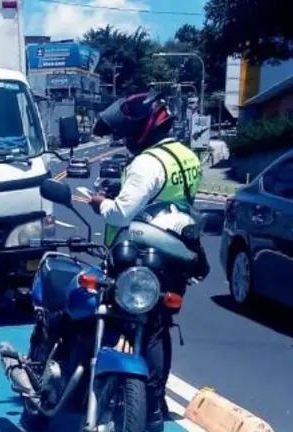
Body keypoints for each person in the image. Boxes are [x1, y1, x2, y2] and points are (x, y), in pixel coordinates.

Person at [88, 90, 209, 432]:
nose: (125, 139)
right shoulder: (185, 155)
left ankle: (137, 400)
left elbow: (120, 212)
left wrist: (99, 202)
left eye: (128, 131)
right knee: (159, 328)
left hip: (142, 256)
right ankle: (155, 401)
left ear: (143, 128)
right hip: (178, 252)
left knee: (122, 321)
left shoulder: (147, 162)